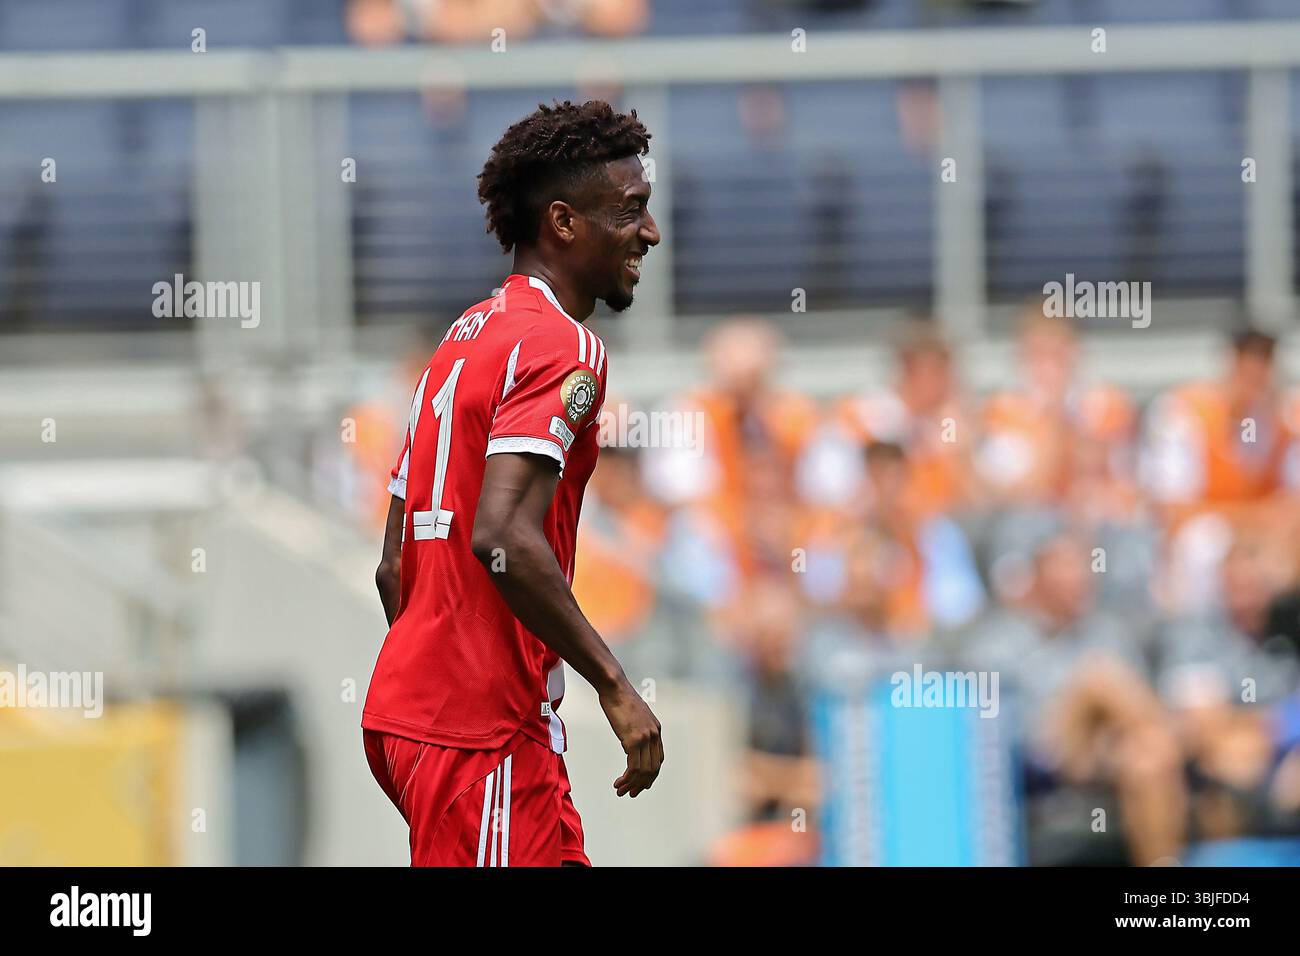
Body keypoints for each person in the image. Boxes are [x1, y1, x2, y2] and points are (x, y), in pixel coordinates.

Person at [363, 100, 664, 866]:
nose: (650, 234)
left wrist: (437, 670)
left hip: (424, 718)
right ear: (564, 223)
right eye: (630, 212)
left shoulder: (463, 337)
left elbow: (394, 564)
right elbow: (499, 534)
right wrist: (615, 685)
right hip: (482, 731)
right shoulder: (564, 348)